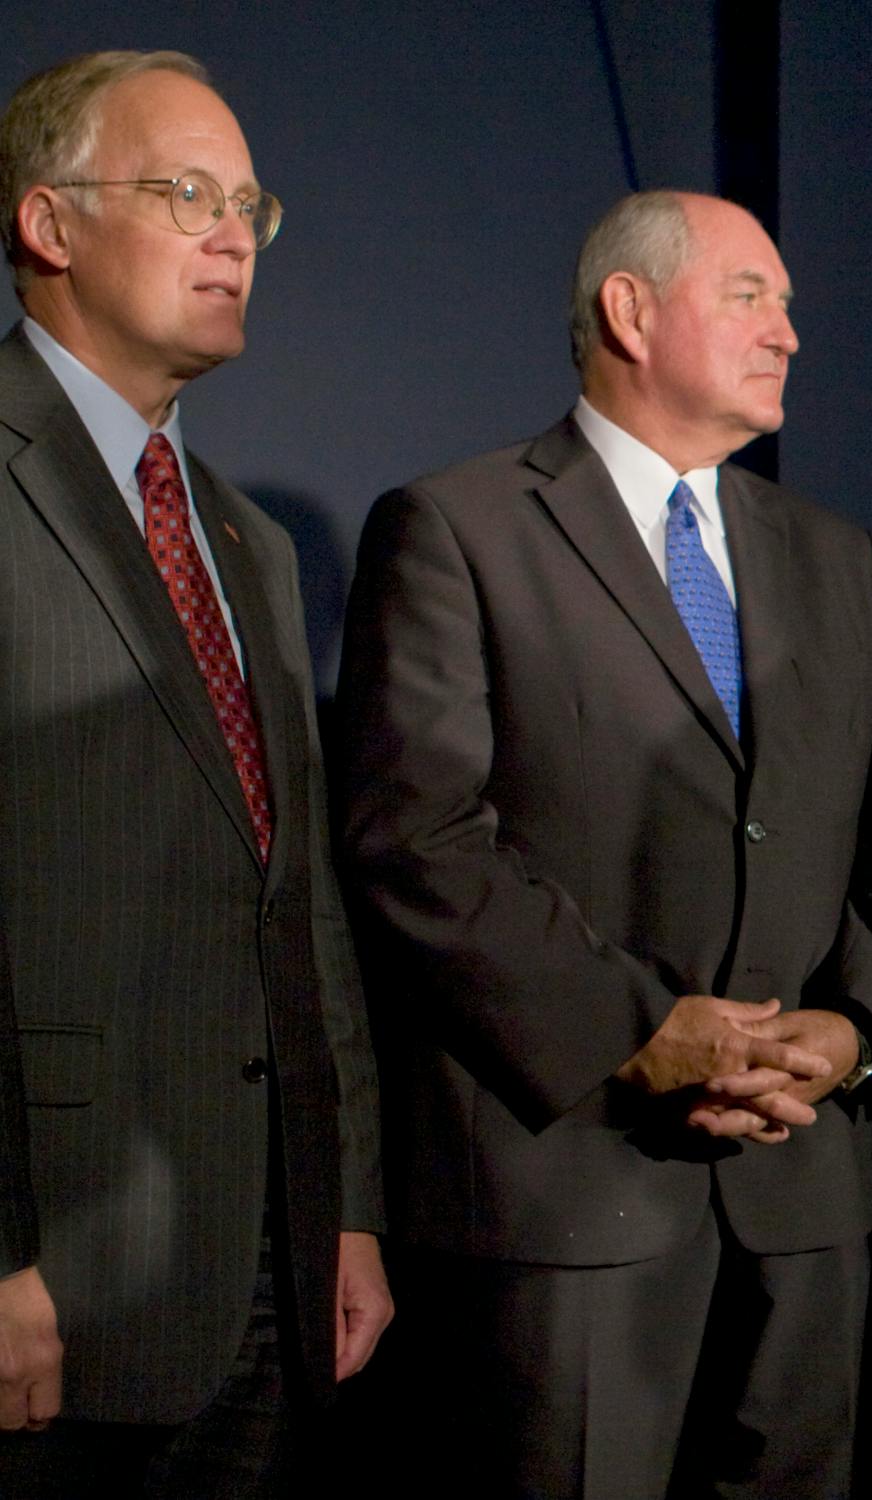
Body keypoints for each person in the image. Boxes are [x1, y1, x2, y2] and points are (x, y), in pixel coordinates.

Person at [333, 190, 872, 1499]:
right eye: (751, 296)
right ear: (628, 308)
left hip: (802, 1200)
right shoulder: (458, 529)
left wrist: (853, 1038)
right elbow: (416, 839)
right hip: (568, 1200)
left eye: (787, 304)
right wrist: (641, 1026)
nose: (790, 331)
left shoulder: (837, 558)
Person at [0, 49, 390, 1495]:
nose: (234, 233)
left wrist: (344, 1209)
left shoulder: (247, 542)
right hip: (57, 1275)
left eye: (249, 205)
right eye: (185, 193)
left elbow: (298, 903)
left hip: (263, 1278)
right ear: (49, 224)